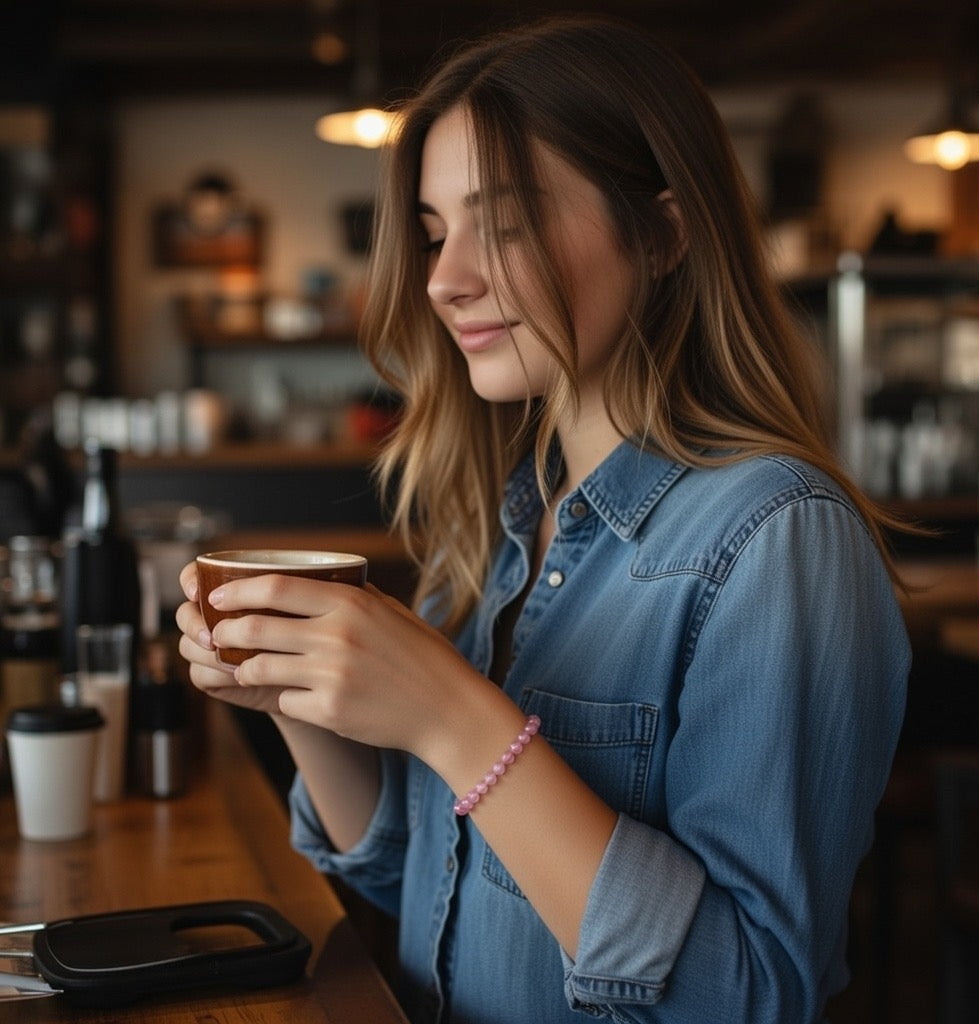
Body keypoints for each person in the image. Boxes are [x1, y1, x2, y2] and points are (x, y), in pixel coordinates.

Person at [176, 14, 910, 1023]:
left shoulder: (776, 537)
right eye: (435, 234)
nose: (443, 278)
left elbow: (743, 995)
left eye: (504, 224)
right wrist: (295, 692)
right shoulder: (499, 521)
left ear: (661, 232)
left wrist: (459, 720)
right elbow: (411, 883)